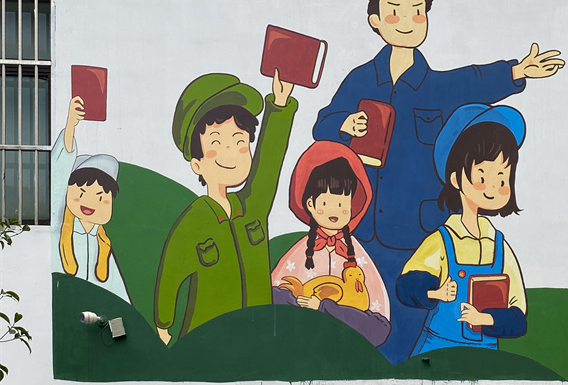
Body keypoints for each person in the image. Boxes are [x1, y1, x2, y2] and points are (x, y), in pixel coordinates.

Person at [313, 0, 563, 363]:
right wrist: (345, 124)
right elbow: (323, 125)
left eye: (417, 11)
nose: (407, 21)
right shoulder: (361, 80)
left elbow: (474, 81)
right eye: (395, 11)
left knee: (411, 320)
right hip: (362, 226)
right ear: (375, 21)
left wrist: (516, 71)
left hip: (420, 230)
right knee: (363, 315)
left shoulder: (436, 87)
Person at [154, 69, 296, 344]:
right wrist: (163, 324)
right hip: (209, 341)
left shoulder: (252, 206)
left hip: (259, 337)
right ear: (197, 163)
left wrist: (279, 105)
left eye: (240, 141)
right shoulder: (194, 220)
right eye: (217, 142)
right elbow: (170, 273)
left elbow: (270, 159)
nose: (231, 152)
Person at [397, 103, 527, 355]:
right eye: (482, 177)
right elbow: (406, 286)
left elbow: (518, 314)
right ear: (456, 178)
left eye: (502, 178)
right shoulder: (442, 241)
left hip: (486, 352)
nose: (493, 188)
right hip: (438, 348)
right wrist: (436, 292)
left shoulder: (499, 247)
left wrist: (485, 319)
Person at [271, 142, 390, 347]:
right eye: (326, 203)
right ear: (310, 204)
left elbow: (380, 325)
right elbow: (274, 297)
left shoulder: (358, 255)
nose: (335, 211)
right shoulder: (300, 252)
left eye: (343, 204)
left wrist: (325, 308)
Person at [51, 96, 129, 301]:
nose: (90, 202)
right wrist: (70, 125)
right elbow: (59, 168)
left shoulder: (103, 243)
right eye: (81, 193)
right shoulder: (60, 225)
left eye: (101, 197)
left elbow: (119, 295)